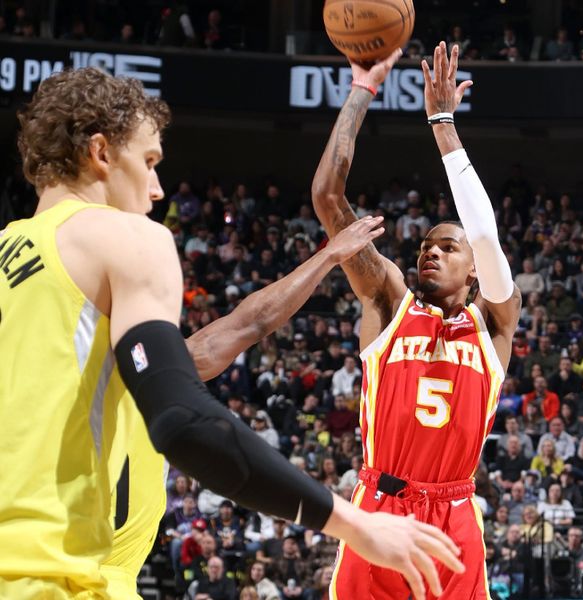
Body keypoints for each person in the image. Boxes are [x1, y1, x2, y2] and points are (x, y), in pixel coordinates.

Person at [0, 67, 463, 600]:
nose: (155, 190)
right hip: (57, 580)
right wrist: (355, 525)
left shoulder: (23, 261)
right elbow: (183, 420)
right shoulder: (126, 239)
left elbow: (219, 341)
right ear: (101, 153)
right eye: (148, 162)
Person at [311, 43, 521, 599]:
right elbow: (328, 198)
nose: (431, 252)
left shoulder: (494, 324)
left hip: (453, 512)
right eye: (426, 246)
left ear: (474, 269)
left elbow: (484, 233)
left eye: (448, 247)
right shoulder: (389, 305)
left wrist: (444, 125)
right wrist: (361, 92)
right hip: (380, 505)